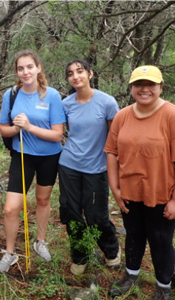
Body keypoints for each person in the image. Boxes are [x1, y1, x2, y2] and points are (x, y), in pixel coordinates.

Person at [105, 66, 175, 300]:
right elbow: (111, 152)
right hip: (130, 191)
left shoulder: (174, 115)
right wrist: (115, 188)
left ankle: (163, 286)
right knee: (134, 234)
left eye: (151, 84)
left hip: (161, 194)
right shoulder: (123, 116)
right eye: (139, 84)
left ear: (160, 86)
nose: (144, 89)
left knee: (160, 239)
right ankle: (131, 274)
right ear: (131, 88)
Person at [0, 49, 66, 272]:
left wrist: (29, 127)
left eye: (29, 67)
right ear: (16, 71)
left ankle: (40, 241)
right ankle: (9, 253)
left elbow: (57, 135)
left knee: (43, 201)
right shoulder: (11, 94)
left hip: (49, 157)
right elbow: (4, 130)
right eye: (20, 68)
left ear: (38, 68)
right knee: (10, 209)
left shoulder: (52, 95)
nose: (25, 72)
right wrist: (16, 128)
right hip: (22, 156)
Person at [58, 59, 121, 276]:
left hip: (97, 167)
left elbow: (116, 139)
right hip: (69, 165)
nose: (75, 76)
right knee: (71, 213)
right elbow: (60, 131)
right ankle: (80, 255)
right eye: (70, 73)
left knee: (97, 216)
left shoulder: (107, 102)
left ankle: (111, 249)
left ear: (90, 73)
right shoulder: (65, 104)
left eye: (80, 71)